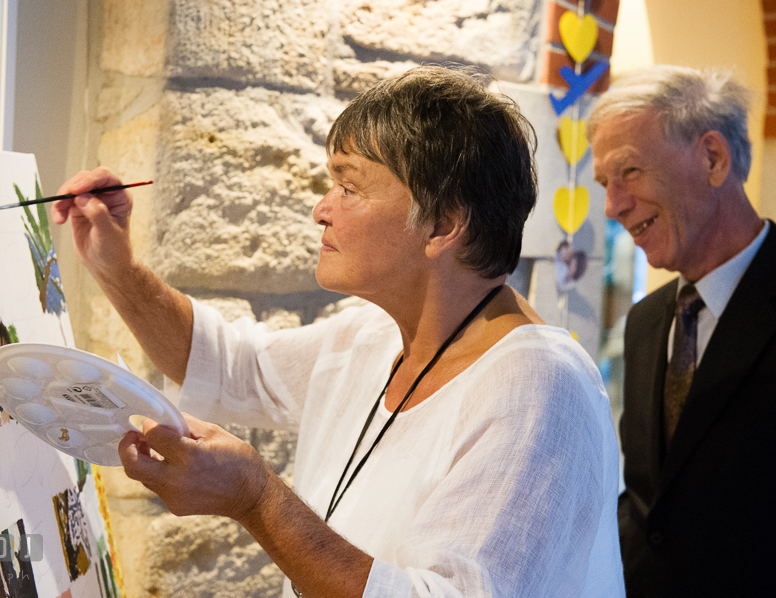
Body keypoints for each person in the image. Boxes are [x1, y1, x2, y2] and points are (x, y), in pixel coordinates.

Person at [53, 66, 625, 597]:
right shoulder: (373, 337)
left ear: (443, 223)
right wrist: (117, 270)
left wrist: (257, 499)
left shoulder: (539, 385)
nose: (321, 210)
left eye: (348, 187)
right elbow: (229, 366)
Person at [588, 65, 776, 596]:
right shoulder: (648, 321)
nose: (614, 207)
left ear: (713, 157)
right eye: (606, 185)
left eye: (629, 172)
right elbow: (647, 507)